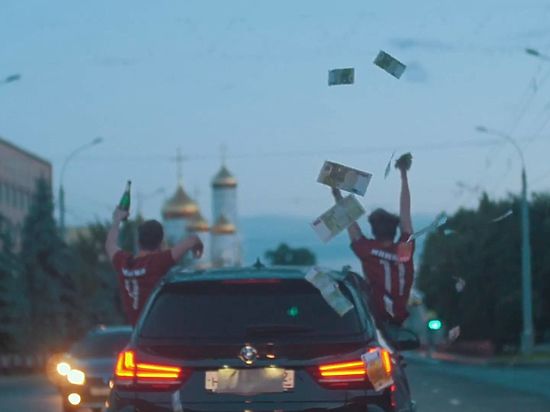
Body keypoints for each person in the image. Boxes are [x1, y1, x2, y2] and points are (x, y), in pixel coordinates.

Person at [332, 153, 414, 328]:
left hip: (376, 321)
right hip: (398, 320)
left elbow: (350, 223)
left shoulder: (367, 250)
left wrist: (337, 196)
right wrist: (403, 175)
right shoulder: (404, 250)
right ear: (395, 229)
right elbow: (406, 214)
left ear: (373, 230)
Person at [105, 208, 204, 325]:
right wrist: (198, 248)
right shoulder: (158, 262)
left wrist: (117, 219)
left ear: (138, 242)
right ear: (161, 243)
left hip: (137, 332)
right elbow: (192, 240)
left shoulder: (124, 263)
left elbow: (110, 245)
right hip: (158, 330)